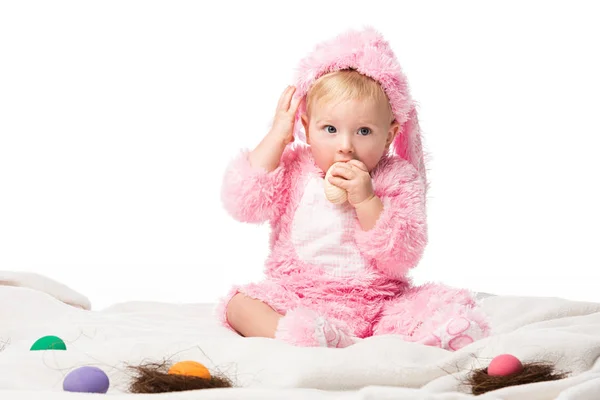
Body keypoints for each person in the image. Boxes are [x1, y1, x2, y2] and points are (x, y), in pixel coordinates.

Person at [215, 27, 490, 350]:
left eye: (363, 131)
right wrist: (277, 136)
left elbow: (402, 253)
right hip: (299, 296)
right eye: (330, 129)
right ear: (306, 127)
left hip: (377, 304)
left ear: (389, 135)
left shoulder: (397, 176)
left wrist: (367, 199)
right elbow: (243, 202)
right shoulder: (294, 166)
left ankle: (440, 331)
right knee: (238, 305)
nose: (345, 146)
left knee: (435, 303)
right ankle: (307, 337)